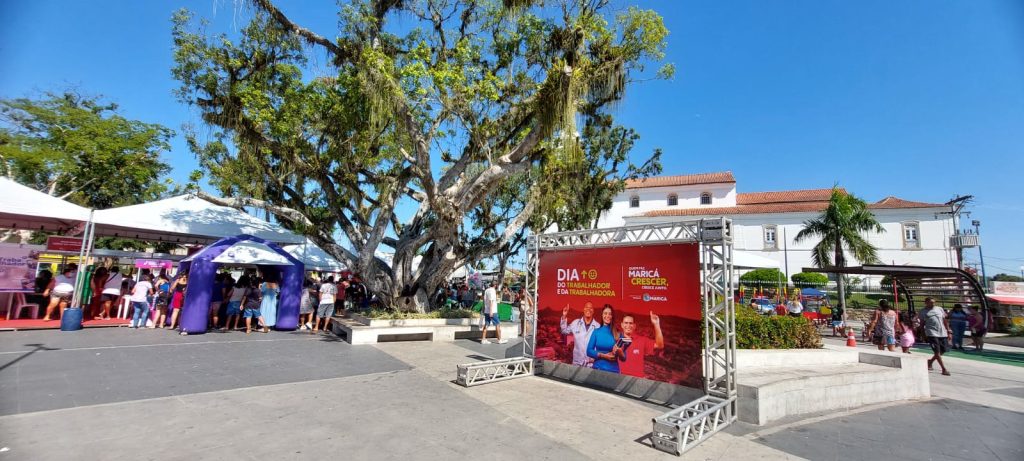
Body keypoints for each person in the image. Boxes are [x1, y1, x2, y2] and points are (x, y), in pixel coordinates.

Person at [616, 311, 665, 378]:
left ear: (634, 326)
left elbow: (660, 345)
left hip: (636, 381)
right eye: (626, 323)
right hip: (619, 379)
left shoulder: (642, 340)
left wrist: (656, 324)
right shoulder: (615, 340)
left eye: (631, 323)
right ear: (622, 325)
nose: (628, 325)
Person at [560, 301, 599, 367]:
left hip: (591, 365)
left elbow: (599, 346)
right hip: (577, 364)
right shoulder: (575, 323)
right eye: (587, 307)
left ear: (593, 311)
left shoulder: (598, 326)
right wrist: (564, 315)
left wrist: (595, 358)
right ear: (583, 309)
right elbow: (564, 331)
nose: (588, 309)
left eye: (591, 308)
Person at [919, 297, 952, 376]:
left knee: (943, 350)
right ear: (926, 302)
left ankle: (930, 361)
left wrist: (949, 331)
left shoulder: (939, 309)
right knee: (937, 352)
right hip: (932, 333)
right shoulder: (923, 312)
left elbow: (945, 320)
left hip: (942, 332)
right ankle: (944, 369)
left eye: (934, 302)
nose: (933, 304)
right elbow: (922, 324)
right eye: (931, 302)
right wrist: (923, 335)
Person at [586, 304, 621, 373]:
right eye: (605, 313)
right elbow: (589, 351)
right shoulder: (596, 332)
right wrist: (603, 356)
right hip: (597, 369)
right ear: (602, 315)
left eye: (610, 314)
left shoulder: (618, 334)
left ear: (612, 316)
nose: (607, 316)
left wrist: (619, 352)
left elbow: (624, 357)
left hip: (613, 371)